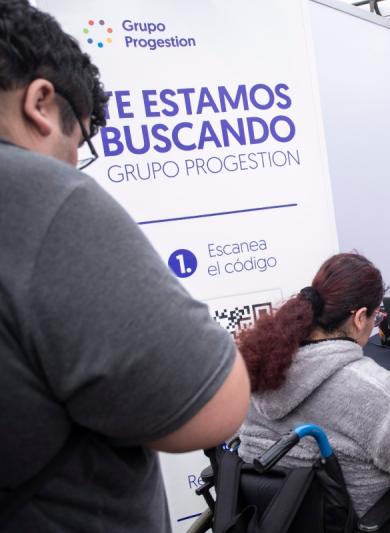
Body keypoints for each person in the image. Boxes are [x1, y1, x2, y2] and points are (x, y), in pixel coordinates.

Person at [0, 2, 251, 531]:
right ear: (42, 103)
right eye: (79, 142)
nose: (73, 164)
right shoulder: (38, 193)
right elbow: (214, 405)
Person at [236, 253, 390, 517]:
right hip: (358, 518)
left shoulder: (260, 367)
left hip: (271, 519)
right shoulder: (374, 390)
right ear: (360, 317)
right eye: (376, 318)